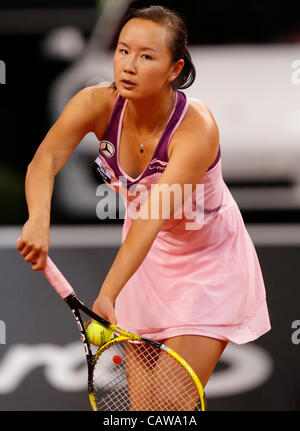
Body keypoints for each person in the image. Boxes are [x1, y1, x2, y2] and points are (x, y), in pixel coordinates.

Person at [16, 5, 271, 391]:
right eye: (123, 50)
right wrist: (38, 219)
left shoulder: (195, 129)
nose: (128, 65)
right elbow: (44, 161)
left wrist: (106, 294)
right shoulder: (94, 103)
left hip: (209, 265)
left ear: (175, 69)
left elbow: (152, 215)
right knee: (143, 409)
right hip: (144, 265)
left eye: (146, 56)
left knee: (170, 404)